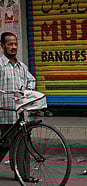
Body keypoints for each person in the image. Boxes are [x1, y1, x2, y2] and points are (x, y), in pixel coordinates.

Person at [0, 32, 39, 182]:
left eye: (15, 44)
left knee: (22, 144)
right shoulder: (1, 66)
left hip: (20, 114)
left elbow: (31, 80)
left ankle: (23, 175)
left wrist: (28, 91)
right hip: (4, 112)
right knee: (4, 144)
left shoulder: (21, 66)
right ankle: (20, 172)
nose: (13, 47)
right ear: (2, 45)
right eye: (10, 44)